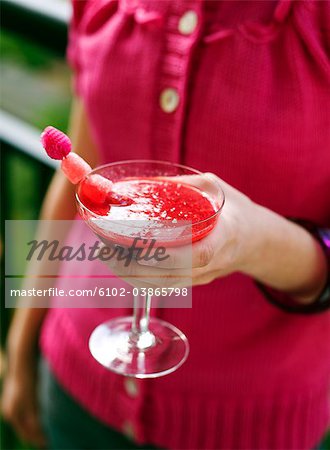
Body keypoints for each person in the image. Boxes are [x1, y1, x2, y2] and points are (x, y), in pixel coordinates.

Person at [2, 1, 330, 449]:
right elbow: (78, 184)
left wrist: (250, 242)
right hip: (73, 383)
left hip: (247, 427)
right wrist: (22, 343)